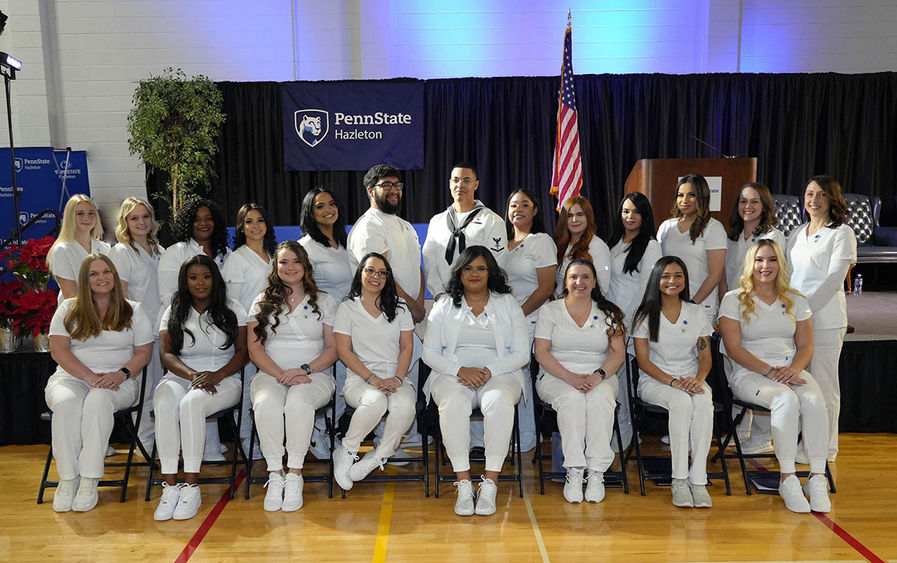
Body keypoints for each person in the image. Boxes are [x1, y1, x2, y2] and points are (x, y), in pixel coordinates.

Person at [719, 240, 831, 513]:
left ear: (780, 264)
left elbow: (806, 346)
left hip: (790, 370)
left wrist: (793, 369)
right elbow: (733, 349)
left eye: (771, 260)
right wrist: (770, 372)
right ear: (750, 264)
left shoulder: (796, 299)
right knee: (785, 400)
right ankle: (788, 478)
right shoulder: (733, 299)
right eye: (759, 260)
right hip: (750, 374)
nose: (765, 266)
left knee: (815, 401)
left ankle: (817, 477)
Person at [422, 246, 529, 517]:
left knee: (498, 401)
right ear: (459, 272)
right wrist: (461, 370)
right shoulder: (444, 304)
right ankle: (464, 483)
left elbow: (521, 353)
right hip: (450, 374)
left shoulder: (507, 303)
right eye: (468, 268)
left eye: (481, 268)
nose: (475, 273)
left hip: (501, 373)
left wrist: (489, 370)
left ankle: (490, 482)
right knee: (455, 403)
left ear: (490, 271)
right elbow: (429, 354)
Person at [45, 254, 153, 512]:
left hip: (119, 381)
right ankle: (69, 479)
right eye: (94, 274)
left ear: (114, 276)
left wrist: (121, 374)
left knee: (99, 399)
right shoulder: (68, 309)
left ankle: (90, 479)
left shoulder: (133, 310)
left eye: (106, 272)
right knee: (66, 403)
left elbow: (144, 353)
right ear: (84, 280)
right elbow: (59, 351)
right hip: (72, 378)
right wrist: (89, 377)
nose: (102, 277)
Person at [153, 255, 248, 521]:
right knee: (164, 401)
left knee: (191, 403)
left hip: (224, 377)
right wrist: (193, 374)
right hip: (184, 373)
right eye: (193, 277)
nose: (200, 282)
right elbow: (166, 355)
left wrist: (216, 375)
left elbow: (243, 353)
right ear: (185, 281)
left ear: (214, 278)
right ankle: (170, 486)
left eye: (205, 276)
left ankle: (191, 486)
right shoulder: (174, 309)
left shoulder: (233, 308)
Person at [248, 241, 338, 512]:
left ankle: (295, 474)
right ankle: (275, 474)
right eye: (283, 262)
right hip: (270, 374)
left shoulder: (325, 300)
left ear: (305, 265)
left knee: (298, 402)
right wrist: (280, 374)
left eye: (296, 261)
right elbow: (254, 348)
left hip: (315, 374)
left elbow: (334, 349)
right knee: (266, 403)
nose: (290, 267)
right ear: (275, 267)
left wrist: (305, 369)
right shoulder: (261, 300)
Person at [534, 259, 626, 504]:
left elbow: (618, 354)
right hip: (557, 376)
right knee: (572, 399)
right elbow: (541, 352)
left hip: (600, 375)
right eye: (573, 277)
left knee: (601, 399)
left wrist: (598, 377)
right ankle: (574, 470)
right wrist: (570, 378)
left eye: (585, 277)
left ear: (594, 281)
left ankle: (596, 472)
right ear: (565, 281)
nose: (579, 282)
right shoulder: (550, 311)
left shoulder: (610, 312)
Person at [631, 256, 714, 508]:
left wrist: (698, 380)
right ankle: (679, 479)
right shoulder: (644, 315)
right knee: (681, 402)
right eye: (666, 276)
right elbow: (643, 362)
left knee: (703, 403)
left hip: (691, 378)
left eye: (678, 275)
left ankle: (698, 479)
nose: (672, 281)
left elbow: (705, 356)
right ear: (657, 280)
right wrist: (674, 383)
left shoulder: (697, 312)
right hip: (656, 381)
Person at [787, 175, 857, 462]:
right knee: (803, 384)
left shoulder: (841, 233)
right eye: (809, 194)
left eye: (820, 195)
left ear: (832, 200)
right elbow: (789, 277)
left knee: (825, 387)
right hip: (797, 320)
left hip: (825, 320)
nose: (813, 200)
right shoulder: (797, 232)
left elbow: (833, 281)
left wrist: (802, 312)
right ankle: (807, 442)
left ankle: (825, 448)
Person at [332, 253, 415, 490]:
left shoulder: (399, 308)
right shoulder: (347, 307)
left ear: (388, 278)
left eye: (382, 272)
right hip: (360, 379)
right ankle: (347, 450)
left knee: (405, 407)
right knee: (376, 401)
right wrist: (373, 379)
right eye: (370, 270)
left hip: (396, 377)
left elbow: (407, 346)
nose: (375, 276)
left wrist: (397, 378)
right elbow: (343, 351)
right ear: (360, 273)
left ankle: (379, 455)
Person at [157, 198, 231, 460]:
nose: (203, 223)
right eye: (197, 218)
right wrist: (196, 321)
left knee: (203, 394)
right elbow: (169, 296)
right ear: (187, 222)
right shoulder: (175, 252)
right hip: (184, 331)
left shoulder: (225, 253)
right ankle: (190, 455)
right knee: (183, 396)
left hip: (218, 331)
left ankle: (208, 448)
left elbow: (227, 296)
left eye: (208, 218)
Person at [720, 182, 786, 454]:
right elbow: (725, 277)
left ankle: (762, 437)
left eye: (755, 201)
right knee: (736, 372)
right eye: (743, 201)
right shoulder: (732, 237)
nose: (748, 207)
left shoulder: (775, 236)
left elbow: (779, 276)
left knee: (761, 372)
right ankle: (742, 431)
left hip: (760, 316)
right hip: (735, 313)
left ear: (765, 205)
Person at [299, 187, 358, 453]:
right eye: (320, 206)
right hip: (321, 326)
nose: (328, 209)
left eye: (331, 204)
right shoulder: (305, 248)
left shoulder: (342, 245)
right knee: (323, 382)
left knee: (344, 383)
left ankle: (329, 432)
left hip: (347, 325)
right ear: (310, 213)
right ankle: (315, 434)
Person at [606, 193, 662, 450]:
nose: (630, 217)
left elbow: (646, 290)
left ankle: (625, 437)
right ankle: (609, 434)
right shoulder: (614, 242)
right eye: (626, 211)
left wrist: (625, 325)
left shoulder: (650, 245)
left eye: (636, 212)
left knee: (623, 382)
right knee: (608, 381)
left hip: (629, 323)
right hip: (607, 321)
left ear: (645, 216)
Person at [503, 189, 557, 452]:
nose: (518, 209)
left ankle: (527, 436)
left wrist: (518, 314)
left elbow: (546, 288)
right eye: (514, 204)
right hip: (504, 321)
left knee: (520, 371)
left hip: (533, 319)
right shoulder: (501, 242)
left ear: (535, 211)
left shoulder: (541, 241)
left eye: (525, 204)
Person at [109, 197, 165, 449]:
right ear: (125, 222)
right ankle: (145, 443)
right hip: (140, 334)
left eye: (145, 216)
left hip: (163, 330)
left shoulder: (160, 249)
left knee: (162, 388)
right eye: (134, 218)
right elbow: (120, 296)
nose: (141, 222)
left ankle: (162, 440)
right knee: (145, 388)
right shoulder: (122, 252)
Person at [222, 203, 277, 455]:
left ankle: (270, 438)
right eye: (249, 221)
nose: (255, 226)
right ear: (241, 227)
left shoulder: (274, 255)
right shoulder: (237, 258)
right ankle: (246, 437)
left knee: (269, 385)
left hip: (274, 332)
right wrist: (240, 337)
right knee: (246, 387)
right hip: (247, 331)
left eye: (260, 220)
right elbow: (231, 303)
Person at [347, 165, 425, 324]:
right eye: (386, 185)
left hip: (408, 316)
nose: (394, 190)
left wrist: (419, 304)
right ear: (371, 191)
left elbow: (417, 267)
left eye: (397, 185)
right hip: (381, 317)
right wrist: (412, 306)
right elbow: (378, 277)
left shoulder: (406, 225)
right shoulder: (368, 226)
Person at [423, 162, 508, 298]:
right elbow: (430, 263)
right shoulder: (436, 222)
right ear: (450, 183)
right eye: (456, 180)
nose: (460, 185)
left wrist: (479, 297)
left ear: (476, 184)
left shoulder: (492, 220)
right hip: (445, 301)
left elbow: (497, 263)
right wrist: (439, 294)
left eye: (466, 180)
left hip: (480, 300)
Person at [656, 174, 727, 322]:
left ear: (702, 197)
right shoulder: (666, 227)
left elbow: (715, 275)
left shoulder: (714, 228)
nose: (685, 200)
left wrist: (692, 303)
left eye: (691, 195)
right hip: (667, 306)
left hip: (700, 307)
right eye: (680, 195)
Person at [47, 194, 112, 301]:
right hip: (77, 313)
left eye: (91, 213)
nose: (86, 218)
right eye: (80, 213)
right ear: (70, 217)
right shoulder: (62, 250)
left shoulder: (105, 248)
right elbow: (71, 295)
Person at [553, 196, 611, 298]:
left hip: (583, 309)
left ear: (588, 217)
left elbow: (602, 288)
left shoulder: (598, 246)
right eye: (570, 215)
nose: (574, 219)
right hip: (558, 308)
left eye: (580, 214)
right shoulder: (559, 244)